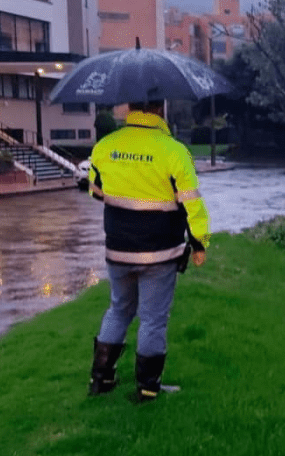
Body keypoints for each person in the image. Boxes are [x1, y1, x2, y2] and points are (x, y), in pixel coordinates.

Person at [86, 97, 210, 402]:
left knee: (118, 309)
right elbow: (191, 203)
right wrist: (199, 242)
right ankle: (147, 387)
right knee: (153, 319)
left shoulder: (105, 146)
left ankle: (101, 379)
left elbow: (96, 191)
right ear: (159, 109)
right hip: (160, 253)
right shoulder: (174, 151)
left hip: (117, 249)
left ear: (129, 108)